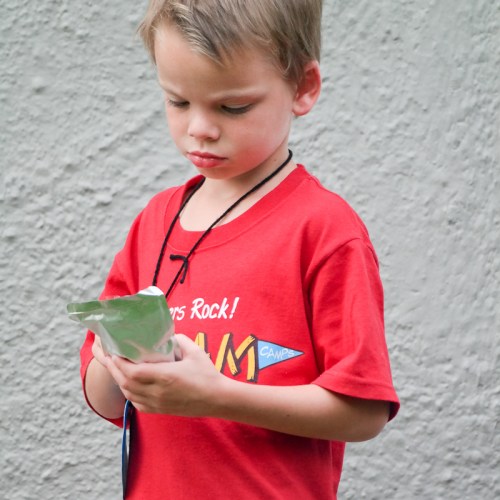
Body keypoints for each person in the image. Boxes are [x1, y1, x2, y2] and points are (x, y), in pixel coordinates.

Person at [79, 1, 399, 498]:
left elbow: (364, 411)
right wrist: (116, 360)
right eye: (177, 101)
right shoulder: (154, 223)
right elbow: (106, 401)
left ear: (303, 88)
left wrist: (219, 397)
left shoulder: (323, 230)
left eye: (232, 107)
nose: (199, 128)